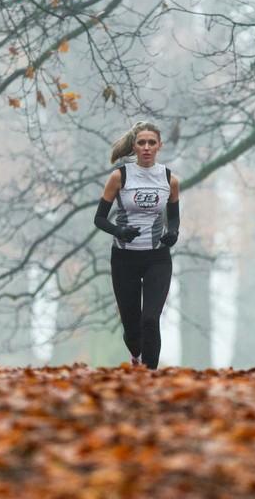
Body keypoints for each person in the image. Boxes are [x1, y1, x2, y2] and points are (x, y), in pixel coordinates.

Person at [93, 121, 180, 370]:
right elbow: (99, 218)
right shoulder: (119, 176)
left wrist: (172, 233)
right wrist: (118, 230)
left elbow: (173, 217)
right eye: (141, 142)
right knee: (132, 329)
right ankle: (136, 355)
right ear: (134, 146)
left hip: (157, 258)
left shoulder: (169, 179)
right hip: (124, 258)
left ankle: (151, 377)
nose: (146, 147)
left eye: (152, 143)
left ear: (159, 146)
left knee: (150, 320)